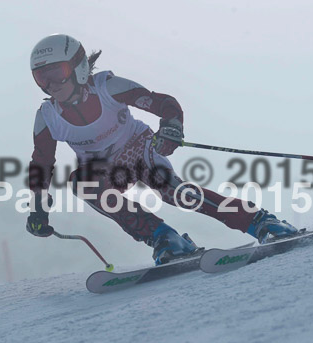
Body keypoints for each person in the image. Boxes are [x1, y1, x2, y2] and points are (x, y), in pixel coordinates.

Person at [26, 34, 298, 264]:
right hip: (106, 171)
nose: (50, 85)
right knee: (81, 182)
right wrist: (39, 207)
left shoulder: (108, 87)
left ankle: (261, 221)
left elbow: (164, 103)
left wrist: (171, 127)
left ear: (79, 68)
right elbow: (41, 165)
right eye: (41, 79)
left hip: (139, 149)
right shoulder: (48, 117)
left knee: (175, 194)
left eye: (56, 74)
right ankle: (165, 238)